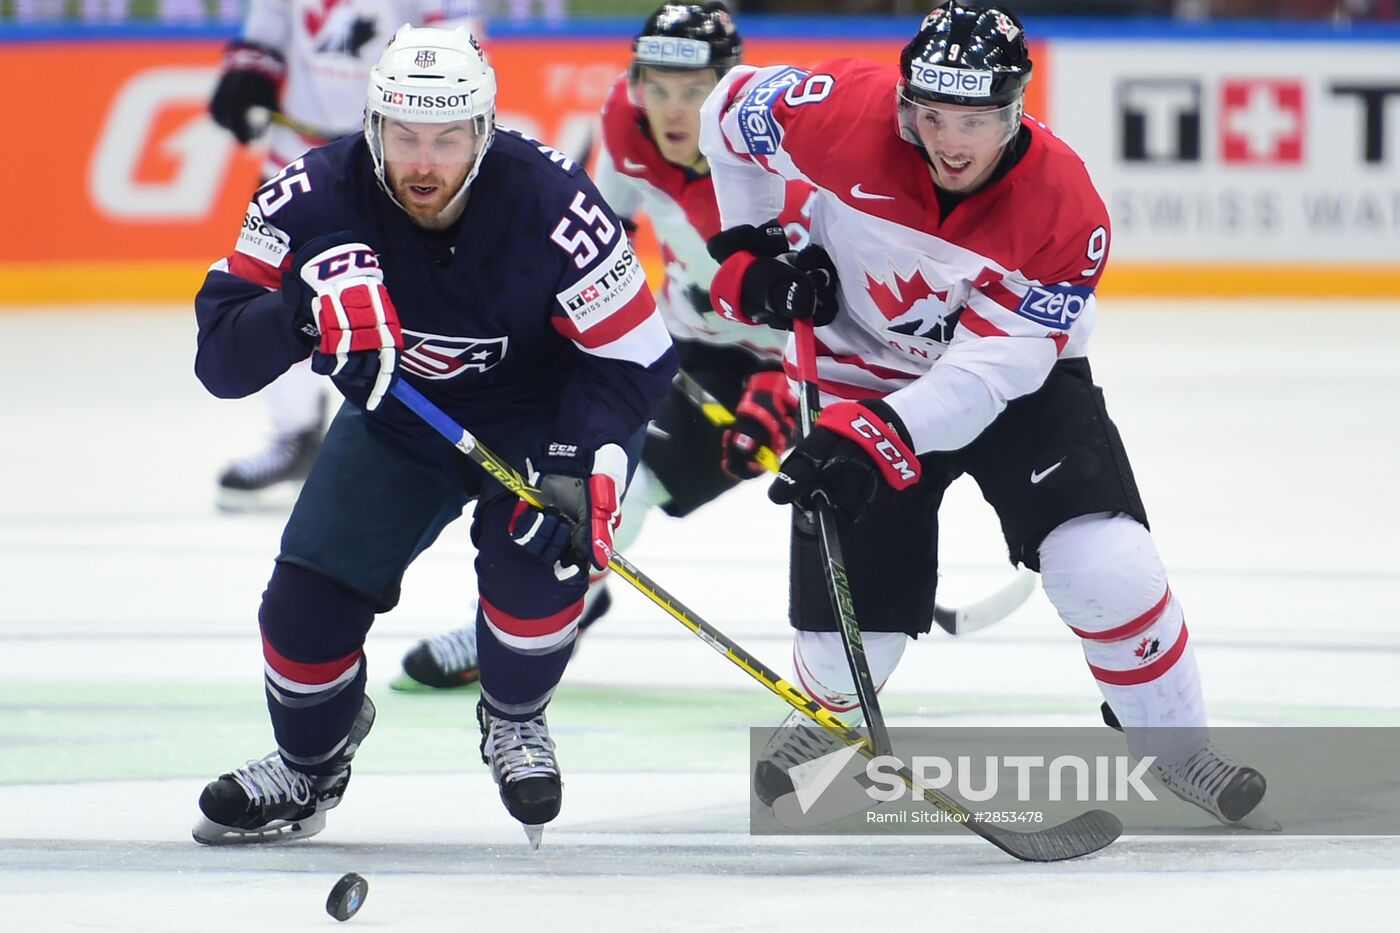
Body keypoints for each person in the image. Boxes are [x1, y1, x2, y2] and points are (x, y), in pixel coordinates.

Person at [698, 1, 1276, 829]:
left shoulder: (1064, 210)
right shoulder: (840, 111)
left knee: (1105, 566)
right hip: (860, 370)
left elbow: (988, 374)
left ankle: (1177, 748)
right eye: (932, 115)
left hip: (1016, 388)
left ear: (1015, 110)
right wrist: (748, 247)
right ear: (907, 104)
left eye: (975, 119)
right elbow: (727, 112)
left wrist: (879, 433)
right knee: (846, 644)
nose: (950, 142)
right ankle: (831, 707)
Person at [189, 24, 676, 845]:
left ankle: (516, 716)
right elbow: (220, 359)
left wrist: (578, 453)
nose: (423, 162)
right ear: (373, 125)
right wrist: (300, 311)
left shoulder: (554, 199)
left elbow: (637, 356)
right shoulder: (309, 194)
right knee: (302, 609)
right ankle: (310, 764)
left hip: (540, 413)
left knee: (544, 568)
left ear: (484, 132)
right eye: (404, 135)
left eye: (448, 138)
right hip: (397, 414)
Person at [394, 2, 798, 690]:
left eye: (694, 92)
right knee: (591, 463)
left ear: (729, 85)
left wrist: (786, 388)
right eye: (658, 88)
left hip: (790, 363)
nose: (672, 112)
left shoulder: (778, 162)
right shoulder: (627, 124)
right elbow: (593, 238)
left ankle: (539, 622)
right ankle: (551, 607)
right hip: (679, 338)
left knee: (648, 490)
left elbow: (845, 300)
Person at [207, 0, 483, 511]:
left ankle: (409, 446)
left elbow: (460, 41)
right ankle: (296, 435)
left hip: (393, 158)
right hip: (296, 151)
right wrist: (247, 71)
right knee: (280, 293)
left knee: (406, 296)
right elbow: (268, 24)